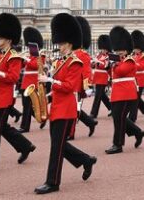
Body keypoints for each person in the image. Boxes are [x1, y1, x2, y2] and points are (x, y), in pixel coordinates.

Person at [34, 13, 97, 194]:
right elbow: (60, 85)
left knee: (56, 147)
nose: (59, 47)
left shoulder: (75, 62)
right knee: (58, 144)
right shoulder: (63, 61)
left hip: (66, 108)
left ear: (69, 43)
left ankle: (52, 182)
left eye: (61, 44)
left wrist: (50, 81)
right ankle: (86, 160)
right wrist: (48, 95)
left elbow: (70, 87)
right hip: (57, 106)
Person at [0, 13, 36, 174]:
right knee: (3, 128)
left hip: (5, 98)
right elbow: (2, 76)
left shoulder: (13, 57)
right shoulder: (2, 56)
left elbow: (13, 77)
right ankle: (25, 146)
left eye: (0, 38)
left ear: (8, 39)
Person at [105, 26, 144, 154]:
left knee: (119, 118)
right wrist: (109, 66)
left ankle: (118, 144)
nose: (119, 52)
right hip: (117, 92)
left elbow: (121, 71)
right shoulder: (118, 60)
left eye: (121, 50)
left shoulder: (129, 60)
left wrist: (113, 64)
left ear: (126, 50)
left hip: (126, 93)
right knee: (119, 117)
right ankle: (138, 132)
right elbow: (113, 74)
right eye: (117, 50)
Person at [71, 16, 98, 138]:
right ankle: (90, 123)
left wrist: (87, 87)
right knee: (72, 109)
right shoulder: (70, 53)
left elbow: (86, 71)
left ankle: (70, 133)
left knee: (73, 110)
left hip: (78, 86)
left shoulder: (83, 54)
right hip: (69, 84)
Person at [17, 27, 45, 133]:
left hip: (33, 81)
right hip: (26, 81)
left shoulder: (40, 54)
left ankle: (24, 127)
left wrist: (26, 59)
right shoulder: (30, 54)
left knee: (28, 106)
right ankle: (42, 118)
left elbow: (36, 66)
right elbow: (23, 66)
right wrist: (20, 59)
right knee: (27, 105)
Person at [90, 35, 112, 118]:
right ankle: (111, 108)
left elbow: (107, 66)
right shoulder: (99, 55)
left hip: (103, 77)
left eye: (104, 48)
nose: (102, 50)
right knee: (101, 95)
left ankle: (93, 113)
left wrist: (98, 62)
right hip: (97, 76)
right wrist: (93, 63)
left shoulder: (109, 56)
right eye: (102, 48)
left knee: (97, 96)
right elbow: (94, 65)